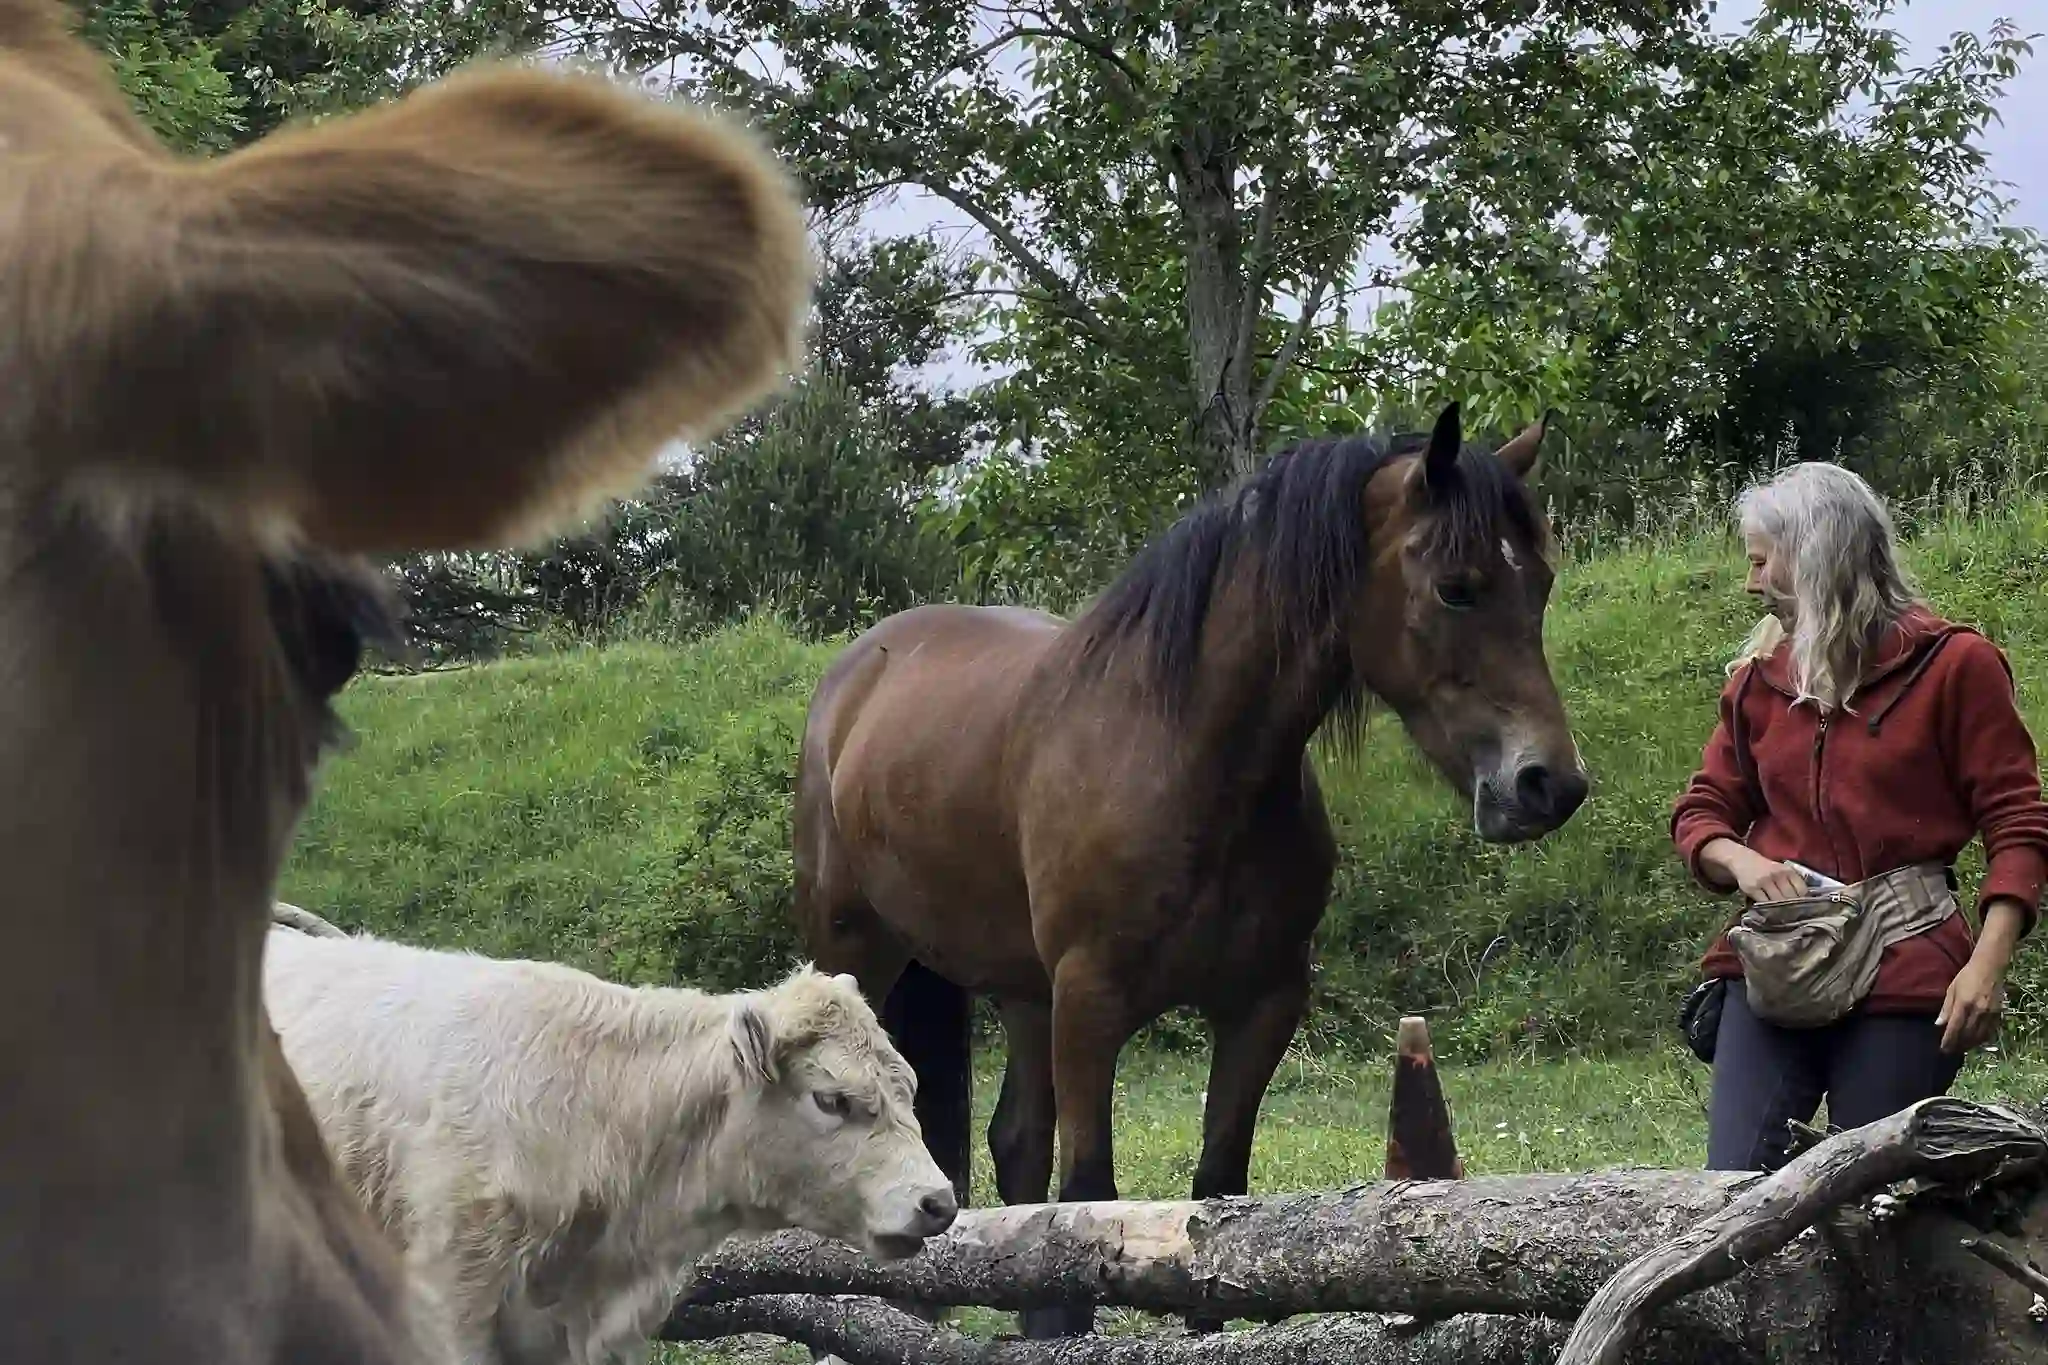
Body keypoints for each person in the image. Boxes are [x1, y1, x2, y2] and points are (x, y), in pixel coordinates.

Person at [1670, 461, 2048, 1171]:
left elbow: (2019, 826)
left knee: (1870, 1204)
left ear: (1816, 557)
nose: (1751, 583)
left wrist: (1986, 967)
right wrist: (1742, 860)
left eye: (1761, 561)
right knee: (1731, 1193)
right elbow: (1702, 809)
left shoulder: (1955, 666)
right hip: (1777, 966)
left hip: (1906, 968)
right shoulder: (1760, 681)